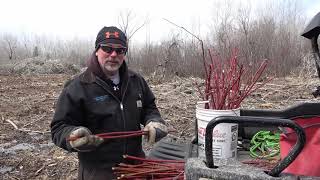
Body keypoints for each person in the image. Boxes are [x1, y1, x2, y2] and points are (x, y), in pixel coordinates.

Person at [50, 26, 168, 180]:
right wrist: (73, 136)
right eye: (107, 48)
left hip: (137, 168)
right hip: (98, 172)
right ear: (97, 50)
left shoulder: (136, 81)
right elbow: (59, 127)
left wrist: (154, 121)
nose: (113, 54)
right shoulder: (78, 87)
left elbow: (149, 107)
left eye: (120, 50)